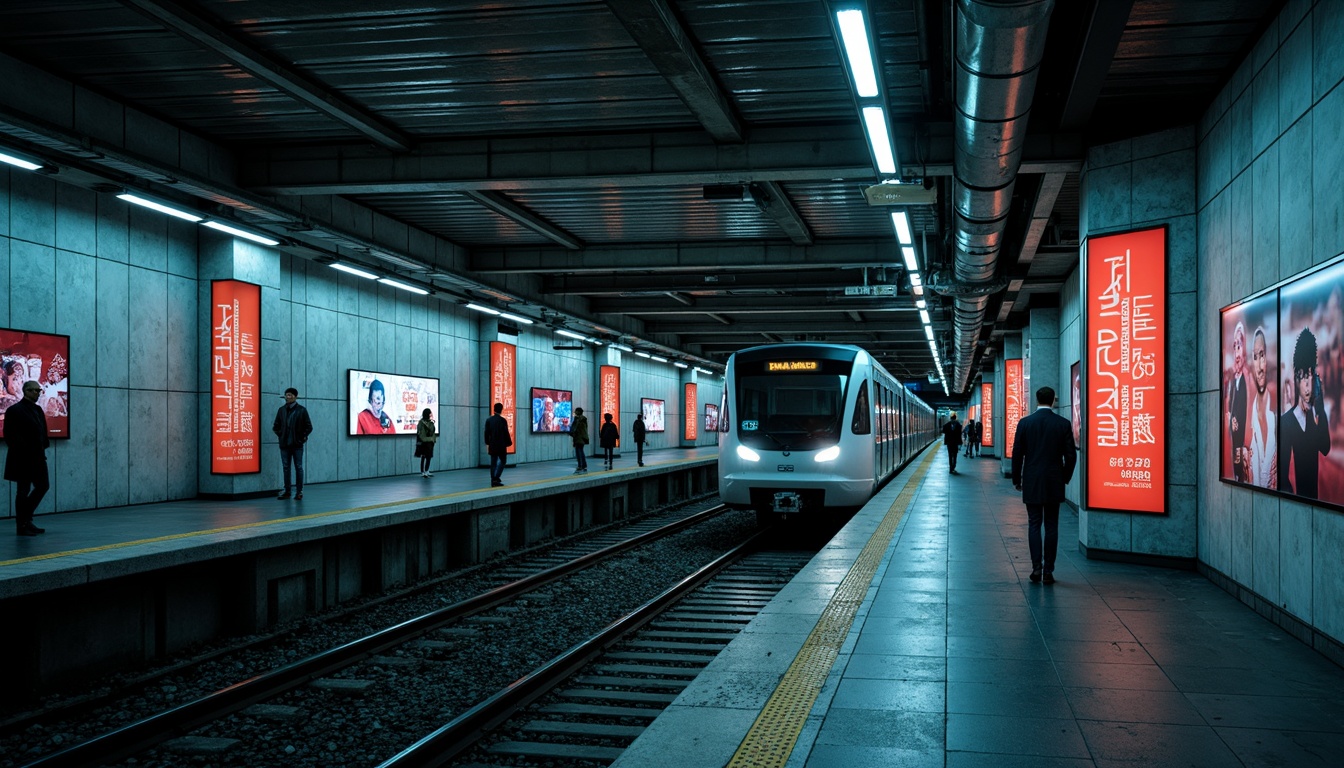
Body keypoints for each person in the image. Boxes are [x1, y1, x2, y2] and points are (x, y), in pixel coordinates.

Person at [1011, 386, 1078, 585]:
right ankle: (1048, 571)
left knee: (1034, 524)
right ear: (1053, 401)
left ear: (1036, 400)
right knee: (1051, 525)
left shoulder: (1025, 423)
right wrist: (1064, 477)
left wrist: (1017, 479)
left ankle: (1036, 568)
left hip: (1032, 480)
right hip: (1053, 481)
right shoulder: (1063, 424)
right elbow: (1071, 456)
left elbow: (1017, 453)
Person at [1280, 328, 1331, 499]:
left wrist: (1321, 405)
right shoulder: (1286, 423)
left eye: (1311, 375)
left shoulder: (1314, 420)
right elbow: (1283, 478)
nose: (1308, 384)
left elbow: (1325, 448)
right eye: (1303, 376)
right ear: (1296, 378)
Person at [5, 380, 50, 535]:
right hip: (22, 459)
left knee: (43, 486)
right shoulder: (14, 410)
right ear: (26, 391)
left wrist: (42, 448)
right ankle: (22, 524)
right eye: (35, 390)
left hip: (38, 457)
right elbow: (10, 436)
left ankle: (25, 518)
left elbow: (42, 432)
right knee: (23, 490)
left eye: (39, 391)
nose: (38, 393)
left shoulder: (38, 410)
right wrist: (25, 450)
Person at [1245, 327, 1276, 489]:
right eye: (1255, 357)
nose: (1259, 365)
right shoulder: (1251, 410)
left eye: (1262, 355)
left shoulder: (1277, 407)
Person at [272, 387, 313, 500]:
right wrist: (281, 435)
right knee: (286, 468)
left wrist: (302, 438)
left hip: (297, 445)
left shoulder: (301, 410)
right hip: (284, 444)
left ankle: (299, 492)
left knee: (298, 467)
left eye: (290, 395)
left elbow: (309, 427)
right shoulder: (281, 410)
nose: (287, 397)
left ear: (295, 396)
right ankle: (287, 491)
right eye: (286, 395)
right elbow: (275, 426)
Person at [1227, 321, 1250, 482]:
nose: (1236, 353)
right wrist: (1231, 418)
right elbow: (1229, 408)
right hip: (1233, 437)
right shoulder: (1231, 382)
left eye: (1239, 347)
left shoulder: (1246, 380)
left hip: (1243, 439)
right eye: (1234, 346)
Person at [484, 402, 512, 486]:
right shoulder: (503, 420)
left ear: (494, 409)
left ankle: (493, 479)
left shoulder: (489, 420)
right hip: (501, 445)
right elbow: (506, 433)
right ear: (501, 410)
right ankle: (497, 477)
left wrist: (487, 442)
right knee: (503, 461)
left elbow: (486, 433)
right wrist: (508, 442)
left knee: (493, 462)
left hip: (492, 444)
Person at [416, 408, 438, 477]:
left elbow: (433, 431)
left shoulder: (430, 422)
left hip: (430, 442)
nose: (431, 414)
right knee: (423, 457)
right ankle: (423, 472)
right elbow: (421, 434)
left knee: (429, 457)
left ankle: (427, 470)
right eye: (430, 413)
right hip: (424, 442)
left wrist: (433, 439)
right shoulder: (421, 422)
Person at [570, 406, 590, 473]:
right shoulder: (582, 419)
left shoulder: (579, 420)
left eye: (576, 411)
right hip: (581, 438)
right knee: (580, 451)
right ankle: (583, 465)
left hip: (579, 438)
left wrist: (572, 433)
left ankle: (580, 465)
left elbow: (576, 429)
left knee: (579, 452)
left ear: (578, 412)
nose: (575, 412)